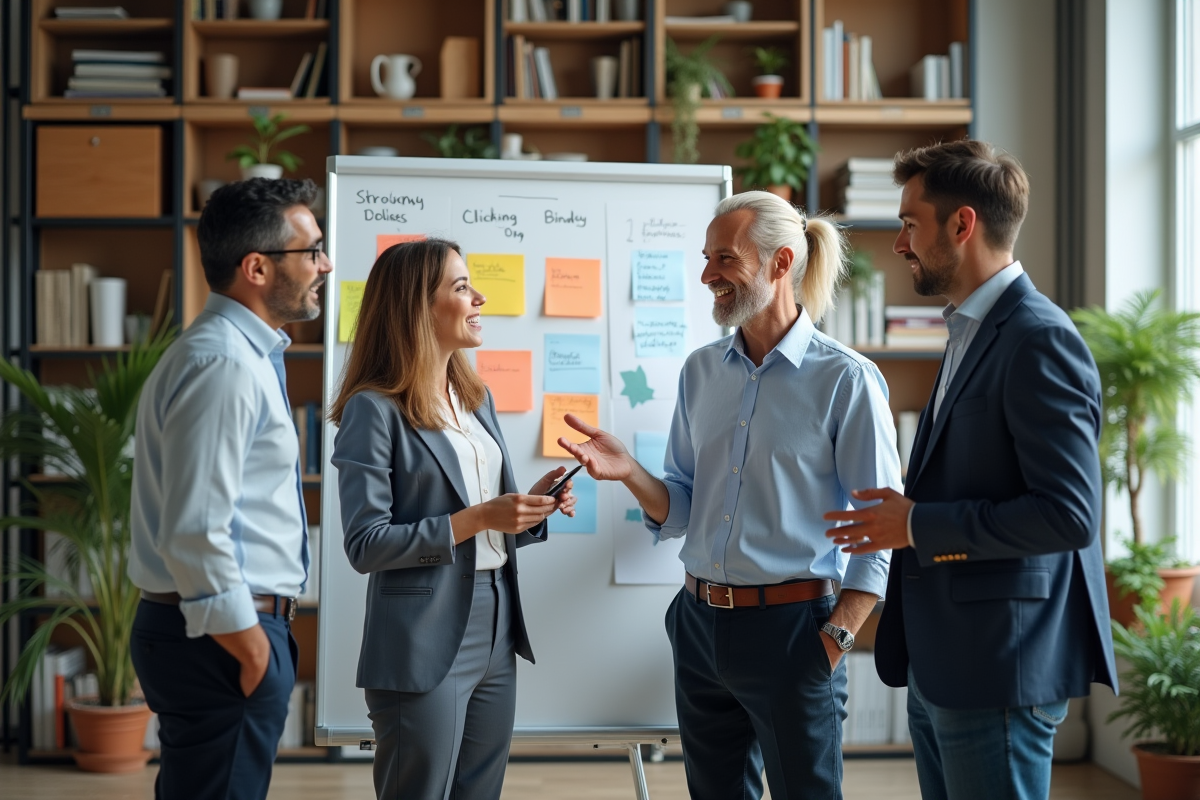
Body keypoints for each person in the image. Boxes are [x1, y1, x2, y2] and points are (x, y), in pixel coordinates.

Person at [558, 191, 901, 800]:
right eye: (706, 258)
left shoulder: (845, 379)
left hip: (796, 632)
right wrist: (632, 473)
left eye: (725, 258)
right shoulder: (700, 372)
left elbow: (882, 531)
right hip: (698, 627)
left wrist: (837, 639)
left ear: (779, 263)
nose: (707, 275)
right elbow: (683, 506)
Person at [823, 140, 1117, 800]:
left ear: (963, 225)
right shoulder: (969, 329)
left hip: (998, 668)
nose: (899, 243)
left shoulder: (1040, 337)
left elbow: (1069, 515)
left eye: (908, 223)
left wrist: (917, 524)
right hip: (948, 660)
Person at [329, 238, 576, 800]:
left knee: (479, 792)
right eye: (461, 287)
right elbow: (366, 544)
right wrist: (479, 517)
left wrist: (530, 509)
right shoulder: (374, 409)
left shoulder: (475, 397)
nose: (479, 297)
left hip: (496, 620)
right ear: (418, 306)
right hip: (423, 633)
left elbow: (488, 515)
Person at [129, 178, 332, 800]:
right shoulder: (222, 364)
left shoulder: (232, 354)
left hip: (217, 634)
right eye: (312, 251)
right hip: (221, 638)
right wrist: (251, 654)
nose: (325, 265)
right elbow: (194, 528)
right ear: (257, 268)